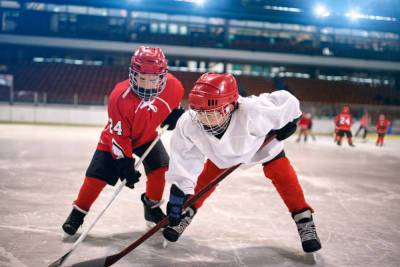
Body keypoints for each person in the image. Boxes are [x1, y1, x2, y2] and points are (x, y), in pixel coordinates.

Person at [162, 73, 321, 253]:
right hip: (222, 154)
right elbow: (184, 159)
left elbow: (288, 100)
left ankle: (303, 218)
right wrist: (178, 195)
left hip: (259, 146)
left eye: (211, 113)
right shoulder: (189, 123)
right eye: (200, 112)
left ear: (230, 107)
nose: (204, 120)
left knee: (282, 173)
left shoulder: (254, 110)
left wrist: (293, 119)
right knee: (205, 180)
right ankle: (187, 212)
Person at [62, 46, 185, 235]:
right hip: (115, 139)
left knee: (161, 169)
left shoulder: (175, 87)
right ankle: (78, 212)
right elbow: (119, 136)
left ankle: (151, 208)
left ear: (162, 76)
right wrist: (124, 162)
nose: (147, 85)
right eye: (141, 78)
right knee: (96, 177)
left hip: (147, 137)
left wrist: (174, 116)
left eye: (152, 79)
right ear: (132, 74)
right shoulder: (119, 96)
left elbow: (172, 108)